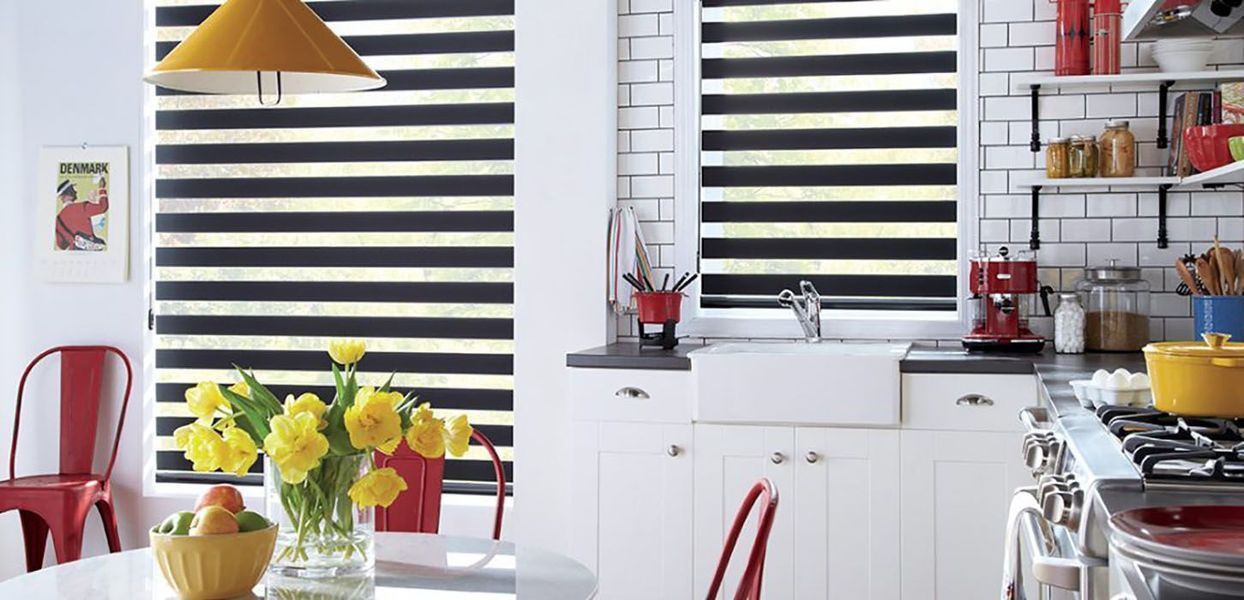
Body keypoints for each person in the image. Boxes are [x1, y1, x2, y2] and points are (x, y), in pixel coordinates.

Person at [54, 179, 108, 251]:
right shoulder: (81, 207)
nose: (75, 192)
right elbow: (103, 207)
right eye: (72, 190)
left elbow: (61, 245)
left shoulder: (58, 219)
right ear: (68, 193)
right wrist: (102, 188)